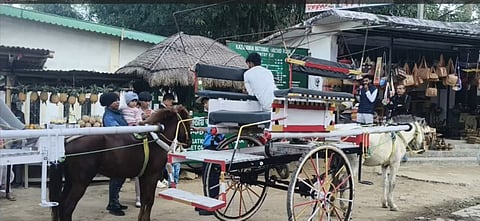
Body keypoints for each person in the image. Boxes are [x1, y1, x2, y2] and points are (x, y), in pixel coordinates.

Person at [192, 97, 225, 216]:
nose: (205, 105)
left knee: (212, 178)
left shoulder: (218, 117)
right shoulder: (212, 117)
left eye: (206, 103)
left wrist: (198, 128)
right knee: (206, 177)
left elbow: (214, 131)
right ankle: (207, 201)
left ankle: (213, 205)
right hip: (208, 148)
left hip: (214, 148)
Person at [100, 92, 129, 216]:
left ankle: (115, 201)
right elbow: (115, 131)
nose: (117, 102)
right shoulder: (108, 116)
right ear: (108, 104)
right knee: (116, 177)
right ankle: (113, 204)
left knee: (121, 177)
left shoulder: (118, 113)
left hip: (122, 149)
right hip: (114, 151)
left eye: (118, 100)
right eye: (114, 101)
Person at [132, 91, 153, 208]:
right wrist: (144, 118)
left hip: (150, 143)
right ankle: (138, 197)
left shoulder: (152, 111)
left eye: (149, 100)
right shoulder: (135, 111)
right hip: (138, 142)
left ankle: (146, 196)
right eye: (145, 100)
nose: (147, 103)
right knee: (139, 173)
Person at [156, 93, 176, 188]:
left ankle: (163, 178)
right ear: (166, 100)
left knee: (166, 160)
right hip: (161, 137)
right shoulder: (161, 110)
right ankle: (159, 178)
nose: (172, 104)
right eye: (171, 101)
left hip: (166, 138)